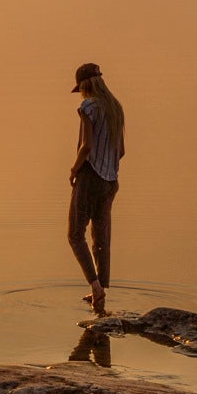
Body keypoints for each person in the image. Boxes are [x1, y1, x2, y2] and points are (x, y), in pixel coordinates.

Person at [66, 61, 124, 313]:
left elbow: (86, 146)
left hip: (90, 176)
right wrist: (107, 166)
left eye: (80, 89)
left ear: (85, 85)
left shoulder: (88, 107)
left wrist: (74, 169)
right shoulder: (116, 108)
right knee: (101, 237)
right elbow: (121, 151)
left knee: (75, 234)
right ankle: (101, 289)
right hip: (111, 180)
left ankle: (95, 286)